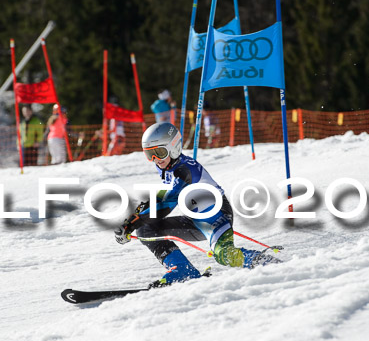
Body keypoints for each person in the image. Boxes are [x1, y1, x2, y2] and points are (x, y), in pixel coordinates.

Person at [114, 122, 281, 288]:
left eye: (159, 152)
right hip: (194, 219)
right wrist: (133, 218)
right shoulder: (167, 166)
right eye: (150, 155)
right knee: (147, 230)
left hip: (217, 216)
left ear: (173, 148)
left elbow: (167, 204)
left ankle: (269, 263)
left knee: (225, 255)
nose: (156, 160)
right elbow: (160, 197)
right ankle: (183, 270)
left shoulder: (184, 170)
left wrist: (136, 221)